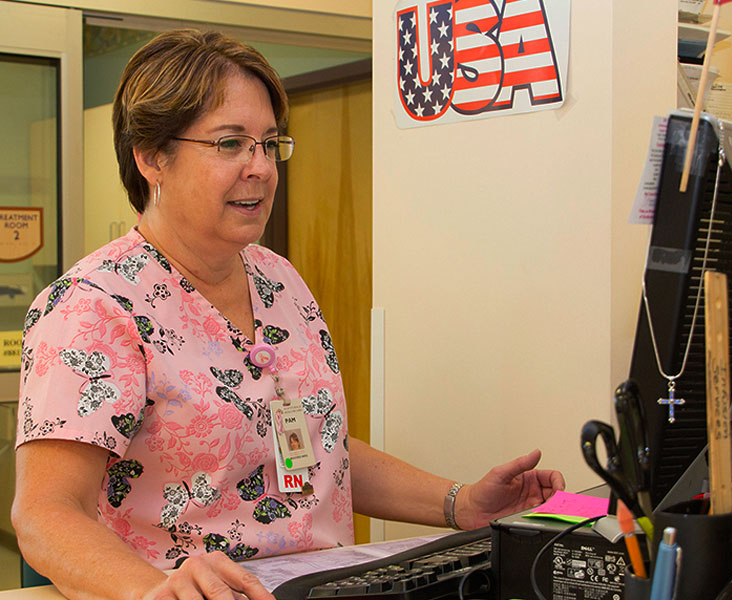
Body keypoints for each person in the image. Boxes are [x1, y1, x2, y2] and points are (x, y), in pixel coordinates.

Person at [11, 29, 565, 600]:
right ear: (152, 157)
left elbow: (312, 449)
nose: (262, 168)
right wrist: (156, 591)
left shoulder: (279, 281)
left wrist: (461, 501)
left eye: (269, 143)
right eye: (230, 144)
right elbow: (46, 513)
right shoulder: (94, 306)